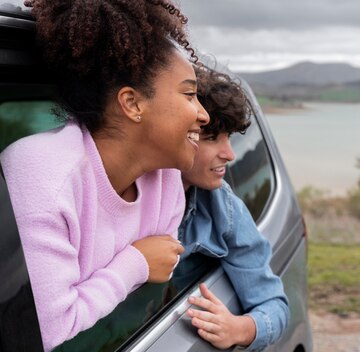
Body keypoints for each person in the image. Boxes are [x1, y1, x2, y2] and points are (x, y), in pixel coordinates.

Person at [0, 1, 208, 350]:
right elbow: (48, 329)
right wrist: (135, 263)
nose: (203, 114)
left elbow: (166, 265)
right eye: (189, 94)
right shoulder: (45, 176)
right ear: (132, 103)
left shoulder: (166, 177)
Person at [174, 67, 289, 351]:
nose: (230, 154)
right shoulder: (127, 197)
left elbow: (274, 305)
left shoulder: (223, 208)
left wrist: (240, 329)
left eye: (229, 137)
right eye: (212, 138)